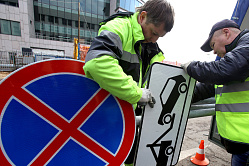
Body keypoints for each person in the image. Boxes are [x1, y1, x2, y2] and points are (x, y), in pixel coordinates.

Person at [83, 0, 175, 165]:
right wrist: (137, 93)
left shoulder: (152, 48)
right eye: (153, 33)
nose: (154, 40)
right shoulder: (119, 27)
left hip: (128, 120)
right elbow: (98, 63)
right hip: (105, 119)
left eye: (159, 37)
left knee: (129, 160)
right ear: (142, 16)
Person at [181, 19, 249, 166]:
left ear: (226, 32)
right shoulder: (233, 59)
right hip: (241, 147)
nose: (213, 51)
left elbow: (230, 69)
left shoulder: (247, 43)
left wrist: (192, 67)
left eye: (213, 45)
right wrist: (181, 97)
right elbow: (207, 87)